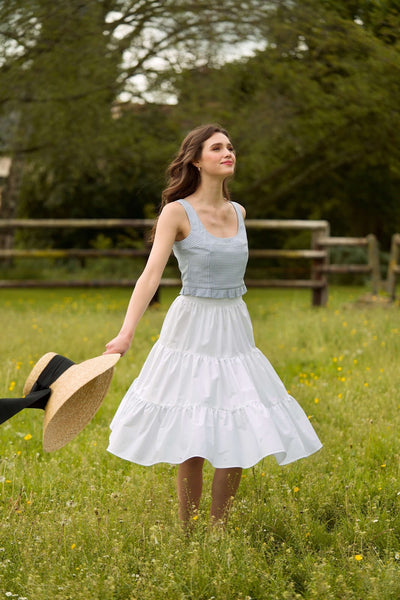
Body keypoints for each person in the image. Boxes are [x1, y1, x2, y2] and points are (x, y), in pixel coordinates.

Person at [104, 124, 322, 528]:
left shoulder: (239, 212)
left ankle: (219, 530)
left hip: (234, 326)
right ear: (196, 160)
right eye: (217, 147)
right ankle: (189, 531)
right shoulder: (177, 212)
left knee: (236, 425)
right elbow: (150, 276)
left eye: (231, 147)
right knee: (194, 432)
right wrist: (126, 332)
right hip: (191, 327)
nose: (228, 152)